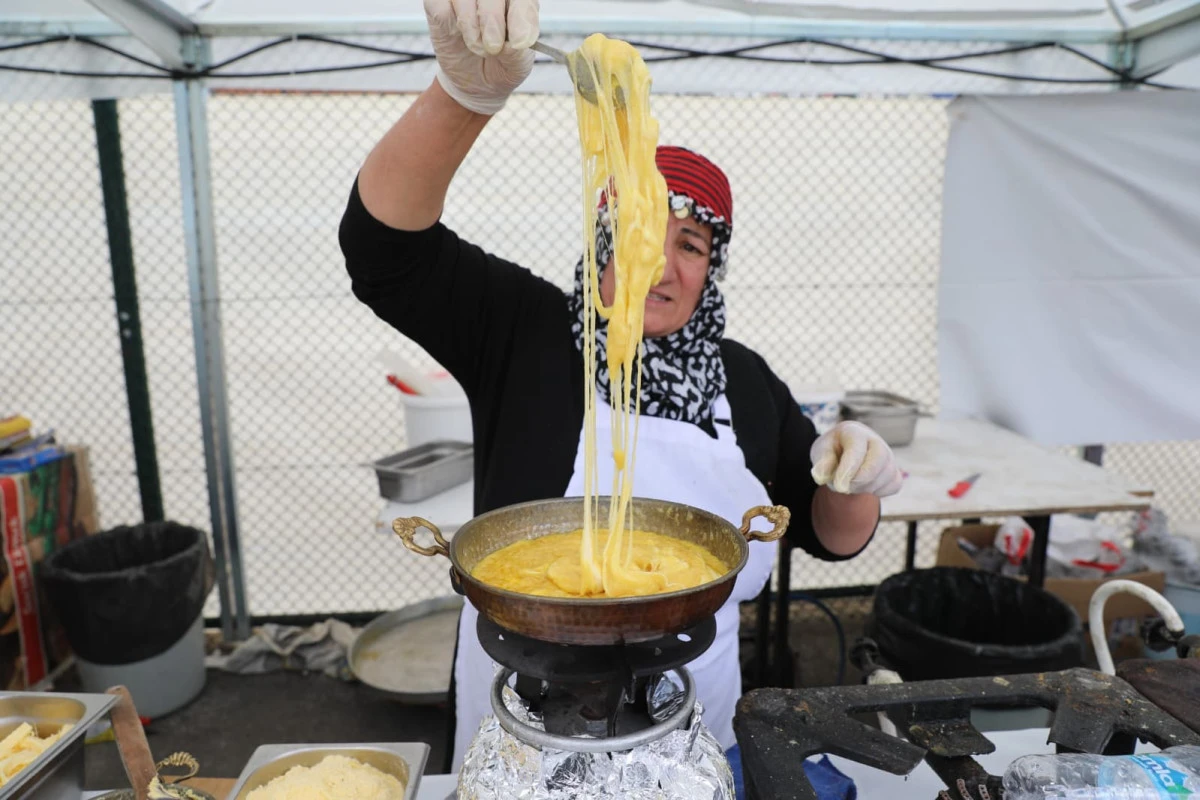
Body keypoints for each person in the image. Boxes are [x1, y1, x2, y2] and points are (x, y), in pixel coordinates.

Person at [340, 0, 903, 771]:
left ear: (714, 266)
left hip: (689, 707)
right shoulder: (526, 333)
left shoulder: (742, 378)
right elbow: (384, 251)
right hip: (523, 703)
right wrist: (462, 97)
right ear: (601, 241)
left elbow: (831, 536)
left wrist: (857, 476)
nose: (660, 265)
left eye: (691, 242)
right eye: (635, 232)